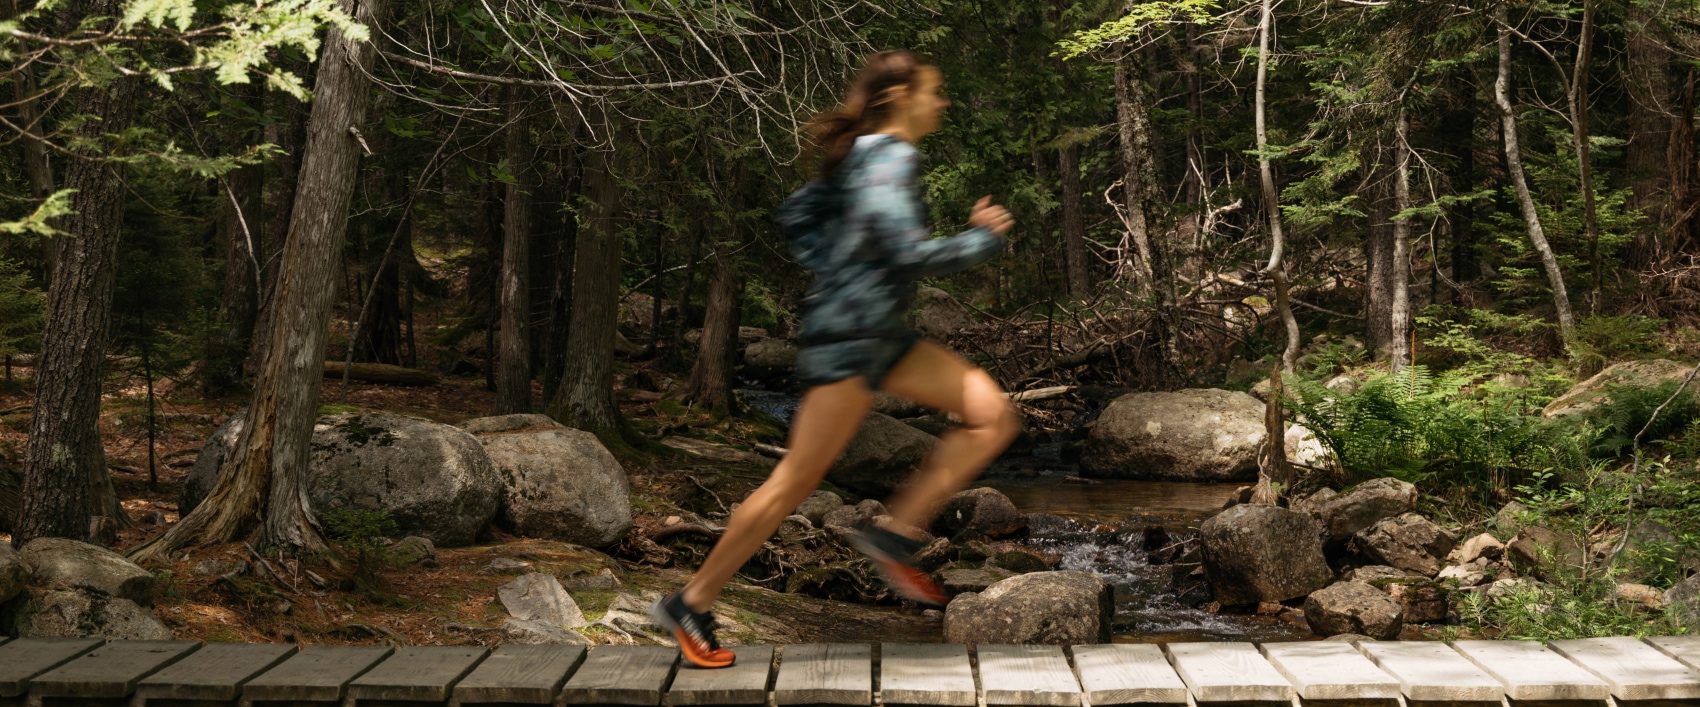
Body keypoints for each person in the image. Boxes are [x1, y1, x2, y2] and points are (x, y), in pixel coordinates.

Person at [649, 50, 1020, 669]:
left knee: (994, 416)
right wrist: (979, 239)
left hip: (879, 335)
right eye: (936, 90)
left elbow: (799, 216)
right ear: (899, 94)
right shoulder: (890, 156)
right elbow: (903, 251)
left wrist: (842, 264)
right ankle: (691, 600)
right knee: (794, 479)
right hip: (851, 340)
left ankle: (891, 533)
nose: (944, 102)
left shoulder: (862, 157)